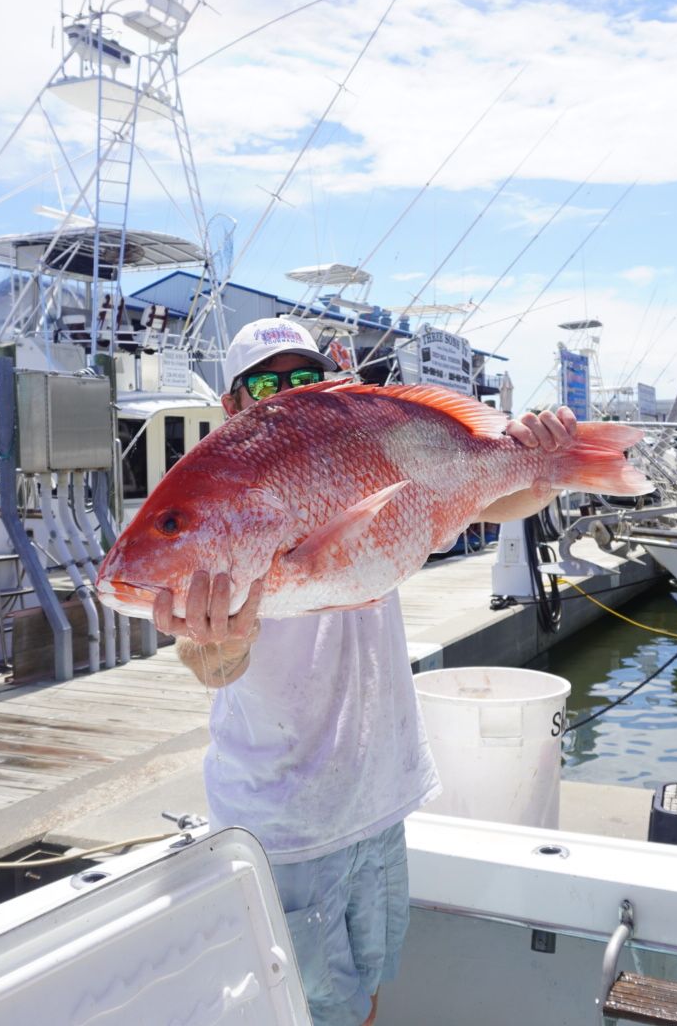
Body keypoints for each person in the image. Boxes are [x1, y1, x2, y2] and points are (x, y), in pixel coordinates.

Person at [151, 317, 578, 1026]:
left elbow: (495, 491)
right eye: (263, 383)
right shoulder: (219, 500)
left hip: (381, 800)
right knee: (312, 1013)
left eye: (303, 377)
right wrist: (217, 639)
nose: (286, 394)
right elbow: (209, 659)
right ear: (231, 405)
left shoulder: (364, 448)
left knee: (368, 989)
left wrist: (549, 461)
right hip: (289, 826)